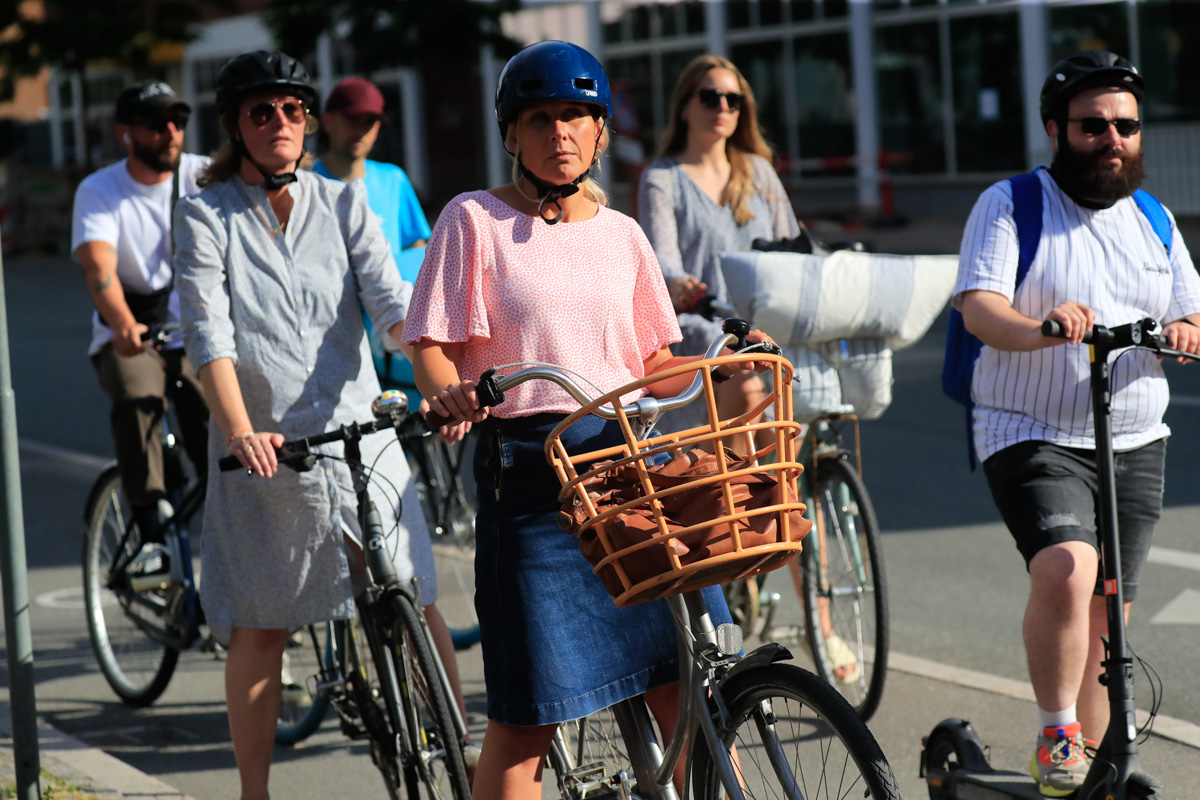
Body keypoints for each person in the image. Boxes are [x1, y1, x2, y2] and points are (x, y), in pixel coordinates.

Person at [403, 41, 772, 800]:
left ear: (601, 131)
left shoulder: (623, 234)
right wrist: (447, 392)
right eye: (540, 117)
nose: (560, 132)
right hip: (533, 477)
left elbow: (655, 363)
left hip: (630, 470)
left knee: (681, 688)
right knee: (528, 719)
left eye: (577, 115)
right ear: (511, 133)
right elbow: (431, 346)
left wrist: (723, 370)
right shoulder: (472, 221)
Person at [171, 50, 448, 800]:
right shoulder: (206, 214)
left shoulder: (346, 204)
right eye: (262, 112)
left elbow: (396, 312)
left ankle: (457, 755)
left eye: (292, 110)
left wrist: (442, 385)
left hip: (359, 429)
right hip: (266, 451)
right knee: (261, 626)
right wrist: (238, 429)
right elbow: (210, 337)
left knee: (416, 595)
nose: (281, 123)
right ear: (237, 125)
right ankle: (254, 792)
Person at [953, 50, 1200, 797]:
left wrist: (1187, 330)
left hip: (1133, 433)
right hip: (1028, 424)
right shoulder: (1011, 204)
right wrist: (1043, 327)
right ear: (1056, 129)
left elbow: (1190, 306)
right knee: (1066, 569)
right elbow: (979, 306)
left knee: (1107, 611)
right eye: (1093, 125)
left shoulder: (1153, 218)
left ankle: (1087, 764)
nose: (1113, 139)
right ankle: (1058, 731)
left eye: (1125, 125)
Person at [72, 79, 210, 553]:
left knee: (221, 421)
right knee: (136, 395)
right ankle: (149, 527)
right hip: (131, 336)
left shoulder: (204, 175)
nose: (171, 132)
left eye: (179, 121)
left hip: (196, 333)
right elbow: (99, 266)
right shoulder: (101, 190)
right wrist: (122, 324)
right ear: (125, 134)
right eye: (156, 124)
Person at [637, 54, 799, 441]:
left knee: (792, 433)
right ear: (685, 107)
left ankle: (784, 496)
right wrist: (678, 285)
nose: (723, 107)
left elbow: (794, 248)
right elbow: (664, 263)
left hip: (767, 324)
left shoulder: (759, 172)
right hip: (705, 327)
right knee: (745, 386)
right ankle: (739, 501)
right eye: (711, 97)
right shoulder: (662, 179)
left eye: (734, 99)